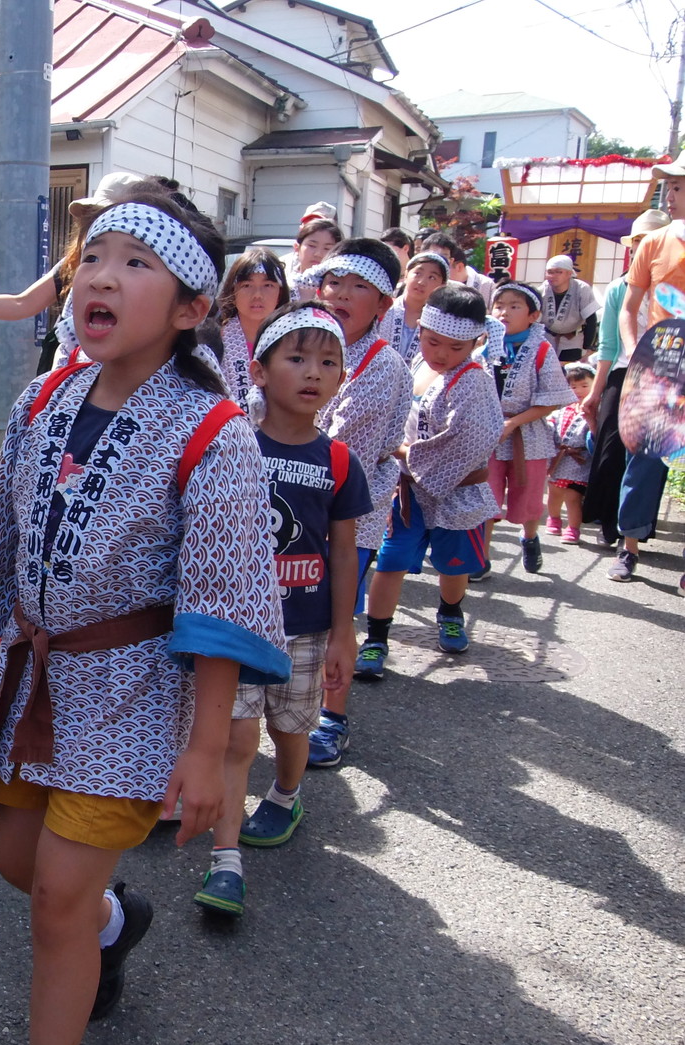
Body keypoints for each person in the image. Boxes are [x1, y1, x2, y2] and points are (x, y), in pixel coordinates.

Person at [0, 190, 289, 1045]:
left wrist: (206, 749)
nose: (102, 276)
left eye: (135, 264)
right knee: (18, 861)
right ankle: (117, 921)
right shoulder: (44, 397)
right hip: (38, 679)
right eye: (94, 257)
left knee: (55, 902)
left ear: (191, 308)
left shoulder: (213, 432)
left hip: (132, 694)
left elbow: (221, 600)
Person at [193, 302, 371, 917]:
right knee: (236, 737)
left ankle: (287, 794)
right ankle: (225, 861)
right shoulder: (230, 442)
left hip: (308, 628)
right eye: (296, 358)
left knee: (291, 730)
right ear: (259, 371)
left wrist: (345, 632)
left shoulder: (340, 461)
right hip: (239, 625)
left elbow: (344, 552)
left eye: (329, 361)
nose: (313, 372)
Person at [298, 239, 412, 767]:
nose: (341, 294)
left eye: (358, 287)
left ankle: (332, 717)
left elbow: (347, 447)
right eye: (333, 282)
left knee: (336, 613)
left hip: (346, 508)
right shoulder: (310, 340)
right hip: (297, 497)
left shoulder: (382, 364)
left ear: (383, 304)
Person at [357, 285, 503, 678]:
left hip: (457, 491)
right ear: (419, 330)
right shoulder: (417, 364)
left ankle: (451, 613)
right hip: (408, 492)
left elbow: (466, 441)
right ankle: (375, 637)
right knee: (391, 561)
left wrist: (402, 452)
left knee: (452, 565)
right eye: (433, 341)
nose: (442, 354)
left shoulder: (474, 380)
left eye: (457, 347)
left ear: (476, 342)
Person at [0, 171, 147, 375]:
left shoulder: (148, 273)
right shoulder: (76, 261)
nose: (100, 224)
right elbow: (23, 303)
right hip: (67, 374)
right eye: (94, 216)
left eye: (110, 215)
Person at [606, 159, 685, 583]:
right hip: (659, 366)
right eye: (669, 187)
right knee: (643, 458)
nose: (670, 196)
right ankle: (629, 544)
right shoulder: (653, 243)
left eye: (679, 187)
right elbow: (629, 307)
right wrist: (636, 350)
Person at [581, 208, 669, 549]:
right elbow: (608, 343)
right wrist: (596, 391)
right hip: (623, 370)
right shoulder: (620, 287)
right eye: (638, 241)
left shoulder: (674, 284)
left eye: (650, 241)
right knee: (610, 448)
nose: (642, 247)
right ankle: (608, 521)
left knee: (652, 456)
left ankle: (637, 529)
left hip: (667, 374)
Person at [482, 280, 570, 575]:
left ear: (533, 316)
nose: (504, 312)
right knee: (485, 496)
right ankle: (482, 558)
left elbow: (552, 400)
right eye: (499, 306)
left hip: (528, 433)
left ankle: (530, 537)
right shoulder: (484, 346)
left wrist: (514, 422)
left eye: (514, 306)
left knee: (529, 495)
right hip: (489, 433)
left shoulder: (542, 349)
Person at [215, 247, 291, 409]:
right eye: (247, 285)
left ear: (280, 292)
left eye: (268, 285)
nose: (257, 295)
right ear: (233, 291)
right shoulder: (214, 339)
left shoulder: (293, 339)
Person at [546, 363, 595, 542]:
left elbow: (596, 435)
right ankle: (554, 518)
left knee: (573, 496)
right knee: (554, 492)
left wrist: (592, 421)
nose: (578, 391)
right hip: (560, 459)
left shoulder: (596, 410)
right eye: (573, 387)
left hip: (580, 460)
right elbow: (551, 424)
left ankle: (573, 528)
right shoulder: (563, 409)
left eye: (584, 385)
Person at [380, 251, 449, 365]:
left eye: (432, 277)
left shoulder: (441, 323)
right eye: (418, 273)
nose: (422, 282)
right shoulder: (382, 309)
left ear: (442, 285)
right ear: (406, 275)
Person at [540, 254, 601, 363]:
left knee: (570, 370)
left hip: (572, 339)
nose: (553, 276)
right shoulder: (542, 290)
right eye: (550, 272)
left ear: (569, 273)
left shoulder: (581, 289)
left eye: (558, 272)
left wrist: (588, 348)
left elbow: (591, 320)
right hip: (546, 337)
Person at [423, 230, 496, 308]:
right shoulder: (416, 281)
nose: (438, 260)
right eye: (434, 255)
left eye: (444, 257)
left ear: (451, 261)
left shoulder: (458, 290)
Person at [285, 216, 343, 298]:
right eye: (312, 245)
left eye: (327, 248)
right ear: (297, 247)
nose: (318, 254)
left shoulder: (340, 289)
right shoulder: (282, 284)